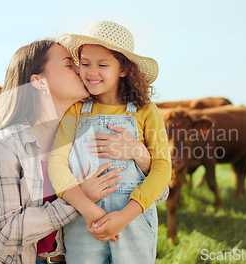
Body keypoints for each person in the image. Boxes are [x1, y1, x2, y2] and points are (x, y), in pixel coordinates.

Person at [0, 39, 155, 264]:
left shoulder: (82, 134)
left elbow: (157, 194)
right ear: (39, 82)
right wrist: (78, 199)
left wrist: (140, 155)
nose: (80, 70)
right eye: (68, 64)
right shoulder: (5, 145)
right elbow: (4, 237)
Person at [47, 21, 171, 264]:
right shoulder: (75, 110)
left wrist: (126, 215)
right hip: (84, 220)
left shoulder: (146, 111)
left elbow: (162, 167)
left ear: (123, 69)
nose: (92, 72)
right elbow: (56, 163)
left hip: (133, 219)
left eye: (103, 65)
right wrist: (87, 208)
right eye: (85, 64)